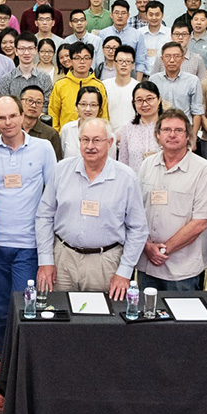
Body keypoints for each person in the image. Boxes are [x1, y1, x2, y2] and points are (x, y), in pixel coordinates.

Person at [0, 95, 57, 356]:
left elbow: (52, 197)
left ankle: (24, 372)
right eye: (1, 117)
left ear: (23, 116)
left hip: (28, 247)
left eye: (13, 115)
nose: (8, 122)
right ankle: (5, 371)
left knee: (26, 311)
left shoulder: (44, 148)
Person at [36, 119, 148, 297]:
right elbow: (44, 216)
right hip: (63, 260)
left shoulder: (126, 178)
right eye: (84, 140)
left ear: (110, 143)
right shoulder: (61, 170)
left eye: (97, 140)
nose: (90, 146)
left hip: (105, 264)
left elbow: (138, 228)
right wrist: (45, 260)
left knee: (99, 321)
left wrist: (124, 271)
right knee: (58, 318)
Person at [136, 108, 207, 291]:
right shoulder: (146, 166)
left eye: (178, 130)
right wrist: (147, 248)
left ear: (188, 135)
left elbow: (200, 223)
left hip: (183, 271)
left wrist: (163, 250)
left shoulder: (203, 170)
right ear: (157, 135)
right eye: (166, 130)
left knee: (183, 319)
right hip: (147, 264)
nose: (172, 135)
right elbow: (135, 212)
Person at [148, 42, 204, 146]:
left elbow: (197, 111)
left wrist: (193, 137)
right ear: (162, 59)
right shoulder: (154, 80)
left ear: (182, 59)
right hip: (160, 130)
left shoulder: (193, 81)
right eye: (168, 56)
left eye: (176, 56)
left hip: (183, 131)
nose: (172, 60)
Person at [48, 42, 107, 130]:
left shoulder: (99, 86)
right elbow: (53, 113)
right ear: (71, 61)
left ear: (91, 61)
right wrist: (58, 135)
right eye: (77, 58)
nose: (82, 62)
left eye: (86, 58)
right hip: (66, 136)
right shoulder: (60, 85)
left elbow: (103, 115)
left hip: (92, 136)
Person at [96, 0, 149, 76]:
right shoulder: (102, 34)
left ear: (128, 15)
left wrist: (137, 83)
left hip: (129, 77)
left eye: (123, 13)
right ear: (111, 15)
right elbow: (99, 59)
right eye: (116, 13)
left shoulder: (137, 35)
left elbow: (140, 62)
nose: (120, 16)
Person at [116, 81, 162, 168]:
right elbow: (123, 162)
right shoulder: (127, 128)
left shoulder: (168, 126)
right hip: (135, 179)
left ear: (159, 99)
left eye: (149, 99)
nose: (144, 104)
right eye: (139, 100)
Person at [0, 33, 53, 103]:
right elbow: (4, 105)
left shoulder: (45, 78)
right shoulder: (6, 79)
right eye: (22, 49)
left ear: (35, 50)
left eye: (30, 48)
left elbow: (46, 106)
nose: (26, 53)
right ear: (16, 51)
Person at [12, 85, 63, 159]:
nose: (33, 105)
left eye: (38, 102)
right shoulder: (8, 128)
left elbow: (56, 164)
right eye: (30, 101)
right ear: (20, 102)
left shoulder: (51, 134)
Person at [101, 45, 138, 135]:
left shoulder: (138, 87)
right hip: (108, 137)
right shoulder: (104, 86)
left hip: (133, 137)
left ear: (133, 65)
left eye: (128, 61)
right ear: (114, 63)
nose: (124, 64)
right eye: (120, 61)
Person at [60, 86, 104, 160]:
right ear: (76, 106)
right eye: (83, 104)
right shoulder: (67, 129)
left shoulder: (106, 133)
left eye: (93, 105)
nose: (88, 109)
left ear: (99, 108)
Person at [138, 0, 170, 73]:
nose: (154, 18)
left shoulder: (170, 34)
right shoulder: (139, 34)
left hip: (164, 77)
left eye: (157, 14)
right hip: (144, 76)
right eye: (151, 14)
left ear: (162, 15)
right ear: (146, 15)